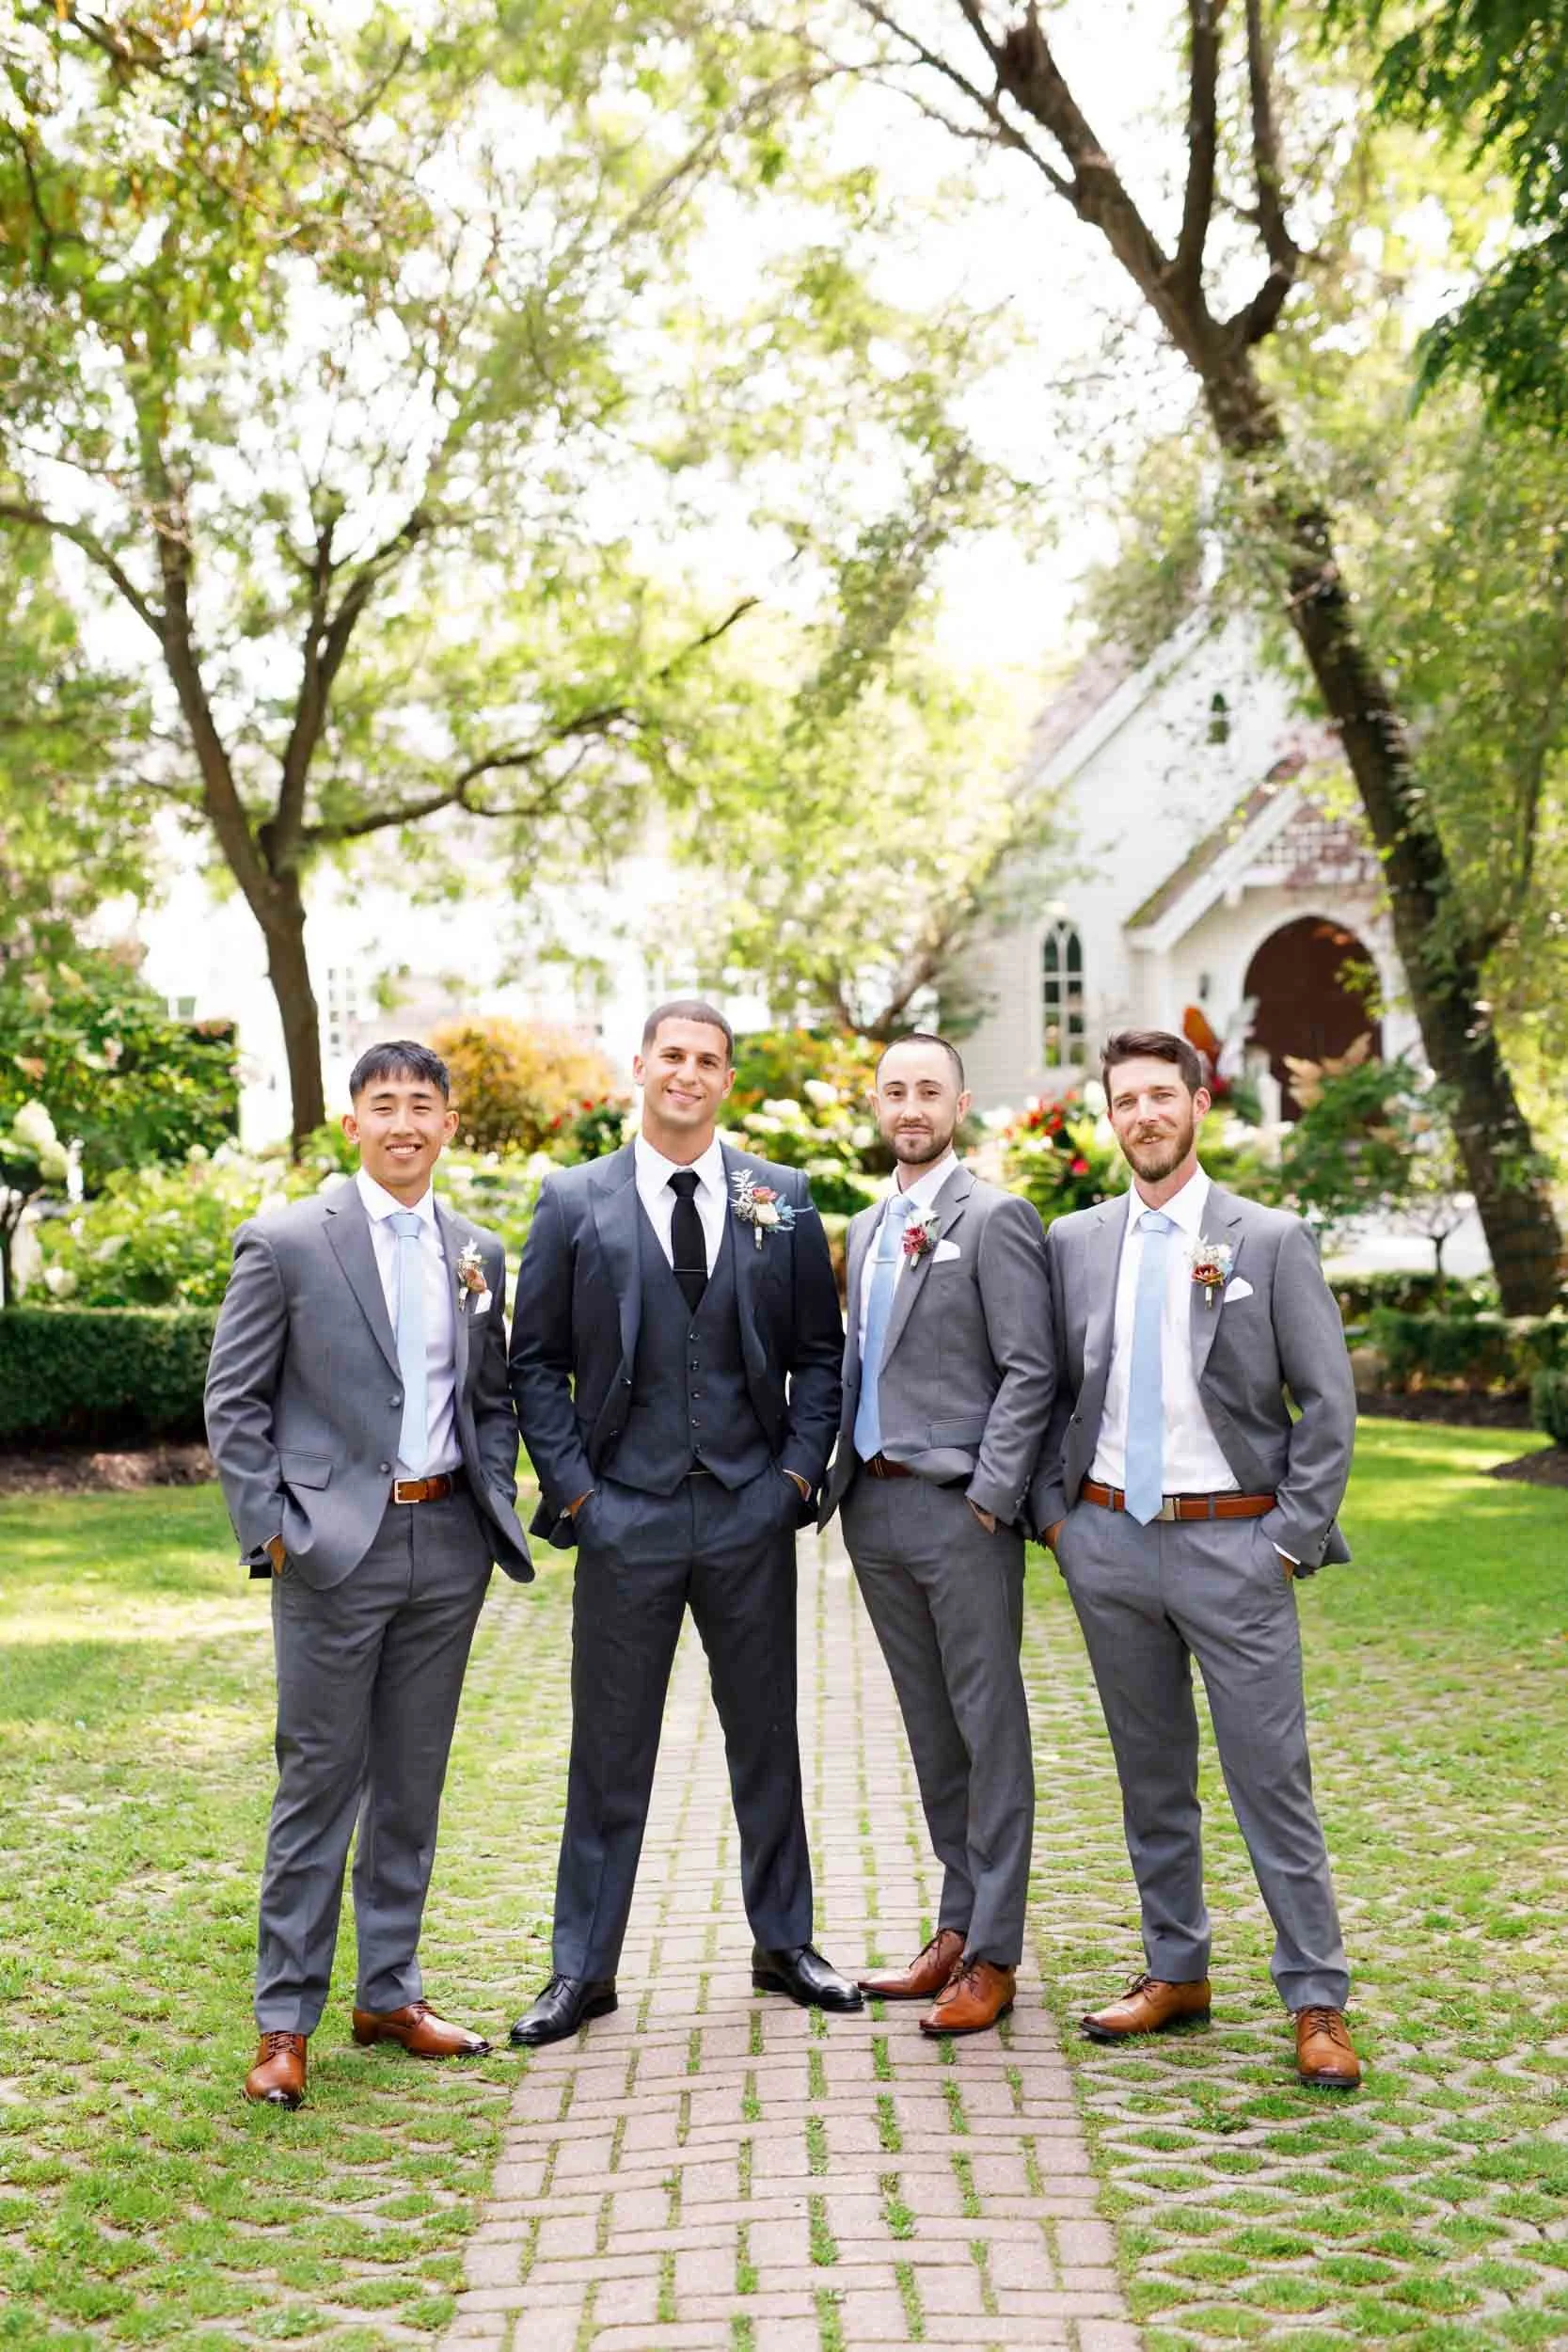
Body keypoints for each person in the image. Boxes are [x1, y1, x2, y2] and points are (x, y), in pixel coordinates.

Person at [507, 998, 857, 2046]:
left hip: (748, 1511)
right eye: (673, 1055)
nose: (688, 1074)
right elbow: (532, 1362)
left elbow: (818, 1355)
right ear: (639, 1066)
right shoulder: (572, 1201)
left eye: (708, 1060)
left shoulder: (779, 1198)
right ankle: (584, 1968)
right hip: (626, 1516)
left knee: (767, 1737)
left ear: (726, 1079)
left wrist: (793, 1479)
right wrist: (578, 1497)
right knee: (609, 1749)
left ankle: (782, 1941)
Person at [205, 1041, 531, 2109]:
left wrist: (490, 1502)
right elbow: (235, 1402)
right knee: (318, 1783)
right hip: (331, 1549)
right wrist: (277, 1532)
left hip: (445, 1547)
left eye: (421, 1105)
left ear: (447, 1126)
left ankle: (388, 1991)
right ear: (352, 1124)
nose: (403, 1121)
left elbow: (486, 1396)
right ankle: (284, 2019)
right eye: (382, 1104)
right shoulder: (289, 1240)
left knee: (411, 1781)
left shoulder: (476, 1249)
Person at [1032, 1028, 1360, 2089]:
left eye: (1160, 1096)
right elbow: (1042, 1385)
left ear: (1197, 1103)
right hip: (1108, 1544)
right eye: (1124, 1100)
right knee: (1148, 1774)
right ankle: (1176, 1968)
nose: (1143, 1115)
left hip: (1235, 1543)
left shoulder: (1264, 1239)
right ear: (1108, 1114)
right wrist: (1057, 1521)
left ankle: (1315, 1995)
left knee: (1271, 1778)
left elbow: (1327, 1401)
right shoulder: (1073, 1240)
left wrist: (1286, 1540)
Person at [821, 1034, 1053, 2035]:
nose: (910, 1106)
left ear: (960, 1101)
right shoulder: (868, 1223)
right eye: (894, 1091)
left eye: (928, 1090)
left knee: (986, 1726)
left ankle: (994, 1952)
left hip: (958, 1509)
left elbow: (1029, 1367)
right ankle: (954, 1925)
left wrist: (991, 1495)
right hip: (871, 1511)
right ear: (875, 1105)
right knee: (929, 1730)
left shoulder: (994, 1218)